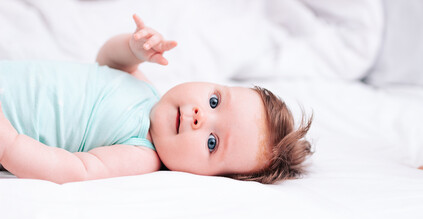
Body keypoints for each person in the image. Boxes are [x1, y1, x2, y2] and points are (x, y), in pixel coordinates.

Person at [0, 15, 312, 184]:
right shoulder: (147, 90)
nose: (198, 117)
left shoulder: (142, 154)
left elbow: (77, 169)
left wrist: (10, 145)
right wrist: (133, 50)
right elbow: (107, 63)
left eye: (212, 143)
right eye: (214, 102)